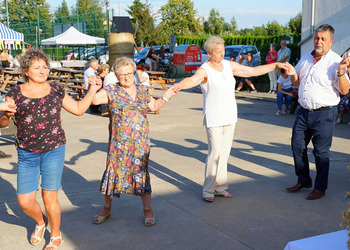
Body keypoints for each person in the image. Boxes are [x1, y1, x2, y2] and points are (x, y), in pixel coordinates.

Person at [0, 49, 100, 249]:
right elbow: (2, 125)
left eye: (45, 66)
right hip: (27, 152)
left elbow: (79, 110)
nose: (42, 70)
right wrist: (6, 114)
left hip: (53, 149)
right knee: (25, 202)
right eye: (37, 67)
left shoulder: (56, 89)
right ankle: (40, 222)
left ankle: (55, 234)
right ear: (26, 71)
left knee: (49, 196)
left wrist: (91, 91)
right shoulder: (14, 93)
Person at [173, 36, 287, 202]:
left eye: (223, 50)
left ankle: (221, 187)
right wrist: (179, 85)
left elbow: (253, 71)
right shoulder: (204, 70)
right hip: (213, 117)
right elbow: (192, 80)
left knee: (224, 154)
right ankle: (208, 190)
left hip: (229, 115)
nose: (222, 54)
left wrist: (275, 65)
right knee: (215, 153)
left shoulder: (228, 65)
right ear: (209, 52)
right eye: (218, 52)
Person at [89, 57, 178, 226]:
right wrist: (92, 87)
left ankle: (148, 211)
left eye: (129, 73)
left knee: (141, 174)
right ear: (116, 75)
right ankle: (106, 209)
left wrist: (167, 95)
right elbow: (93, 100)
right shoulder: (111, 90)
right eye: (122, 74)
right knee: (112, 173)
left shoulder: (142, 90)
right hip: (118, 144)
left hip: (140, 143)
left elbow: (153, 107)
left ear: (134, 73)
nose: (126, 77)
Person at [285, 24, 350, 200]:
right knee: (297, 146)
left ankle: (320, 187)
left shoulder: (336, 61)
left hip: (324, 114)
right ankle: (304, 179)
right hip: (304, 111)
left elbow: (344, 91)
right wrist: (291, 72)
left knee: (321, 153)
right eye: (316, 38)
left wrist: (342, 71)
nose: (318, 41)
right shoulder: (306, 58)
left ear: (331, 41)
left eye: (323, 38)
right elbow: (297, 82)